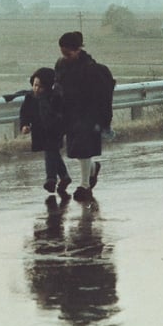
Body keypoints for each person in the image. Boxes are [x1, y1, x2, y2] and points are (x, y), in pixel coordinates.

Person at [54, 31, 115, 202]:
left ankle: (84, 185)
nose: (65, 56)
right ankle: (93, 169)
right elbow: (57, 86)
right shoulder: (61, 65)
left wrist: (103, 119)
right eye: (63, 52)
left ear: (78, 49)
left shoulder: (91, 69)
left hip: (88, 115)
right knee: (74, 150)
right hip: (70, 113)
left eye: (68, 52)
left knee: (83, 147)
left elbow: (101, 95)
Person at [19, 67, 72, 196]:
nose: (36, 89)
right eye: (35, 85)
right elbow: (24, 113)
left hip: (55, 130)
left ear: (48, 87)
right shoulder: (30, 97)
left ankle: (51, 179)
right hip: (39, 131)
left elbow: (61, 113)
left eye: (40, 87)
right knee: (53, 152)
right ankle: (64, 177)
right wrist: (25, 125)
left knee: (50, 150)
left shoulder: (55, 97)